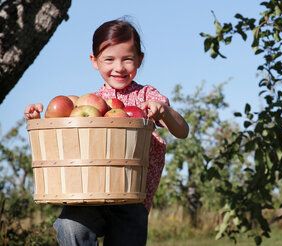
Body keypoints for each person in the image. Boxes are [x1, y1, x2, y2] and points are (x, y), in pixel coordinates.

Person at [24, 18, 189, 245]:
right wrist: (39, 118)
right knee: (70, 226)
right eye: (109, 59)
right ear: (94, 61)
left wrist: (164, 111)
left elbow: (182, 131)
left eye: (127, 59)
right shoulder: (90, 102)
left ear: (140, 60)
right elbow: (68, 136)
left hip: (131, 199)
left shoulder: (146, 97)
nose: (119, 67)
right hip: (90, 196)